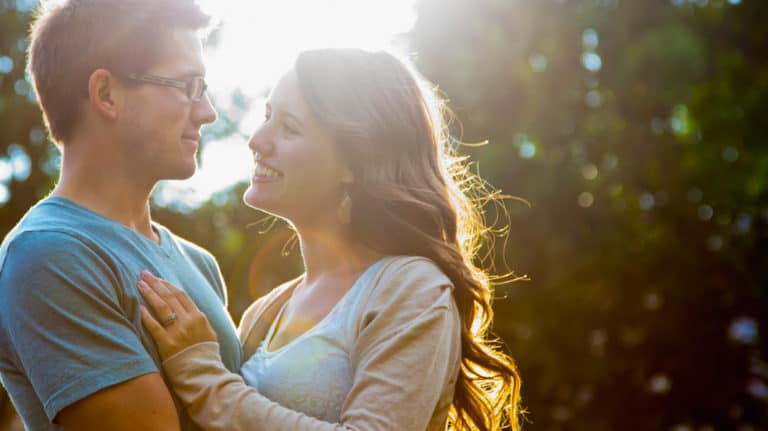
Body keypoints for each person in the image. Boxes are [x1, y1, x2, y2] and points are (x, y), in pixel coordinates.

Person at [138, 48, 523, 431]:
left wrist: (203, 376)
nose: (257, 140)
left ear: (354, 162)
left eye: (289, 127)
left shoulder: (412, 289)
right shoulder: (265, 313)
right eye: (268, 116)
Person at [0, 1, 242, 430]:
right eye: (189, 85)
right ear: (107, 94)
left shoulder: (198, 262)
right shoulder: (48, 256)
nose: (206, 112)